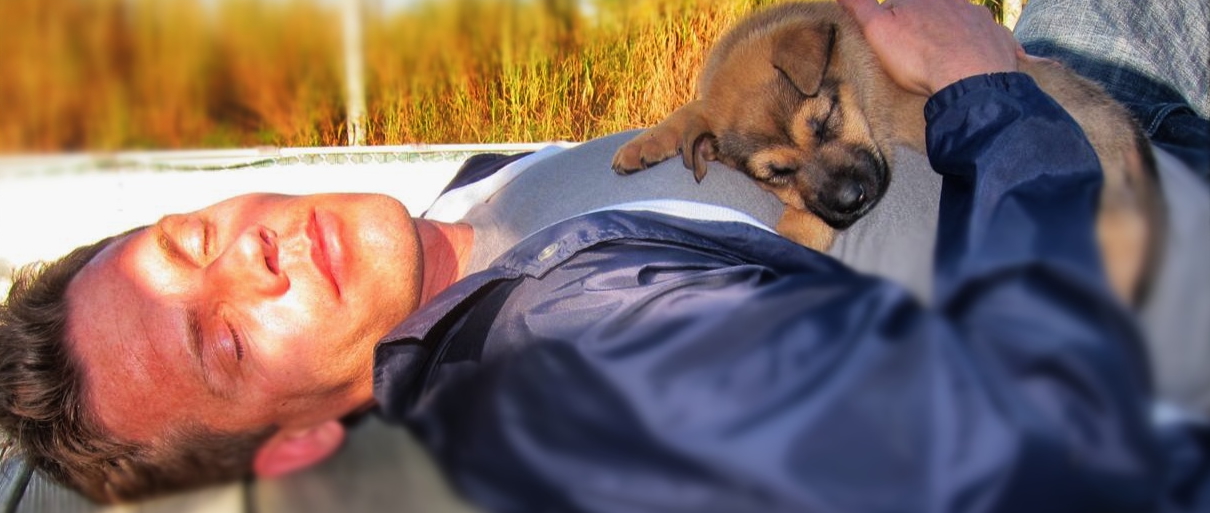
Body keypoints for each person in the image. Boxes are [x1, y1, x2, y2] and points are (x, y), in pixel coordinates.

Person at [0, 0, 1206, 512]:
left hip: (1079, 113)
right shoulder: (580, 365)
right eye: (222, 341)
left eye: (193, 242)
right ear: (299, 443)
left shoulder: (469, 224)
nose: (249, 260)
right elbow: (1035, 446)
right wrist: (986, 87)